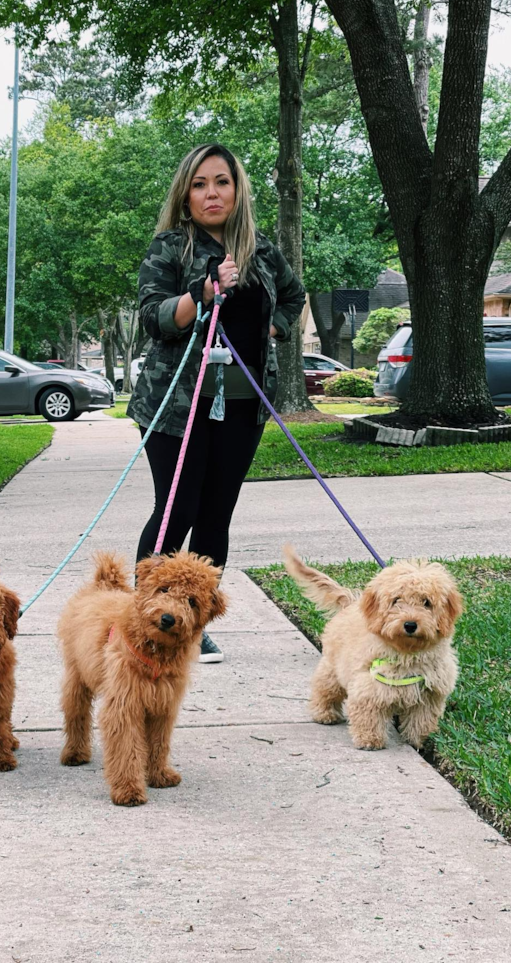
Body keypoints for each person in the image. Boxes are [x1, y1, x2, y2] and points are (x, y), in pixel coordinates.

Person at [126, 143, 306, 662]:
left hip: (243, 404)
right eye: (201, 184)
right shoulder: (170, 247)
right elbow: (153, 316)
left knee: (216, 515)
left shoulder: (262, 250)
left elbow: (293, 297)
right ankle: (145, 619)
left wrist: (275, 327)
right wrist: (202, 293)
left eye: (222, 182)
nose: (212, 193)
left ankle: (192, 623)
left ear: (237, 189)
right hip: (176, 407)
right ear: (186, 194)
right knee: (175, 509)